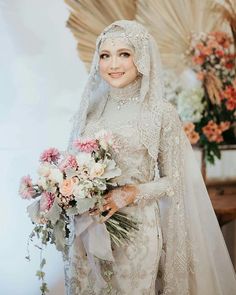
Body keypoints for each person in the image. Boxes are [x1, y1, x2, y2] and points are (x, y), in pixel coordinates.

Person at [64, 20, 236, 295]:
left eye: (124, 54)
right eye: (105, 55)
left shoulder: (159, 112)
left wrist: (132, 193)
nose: (113, 64)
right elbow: (72, 164)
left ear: (140, 57)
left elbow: (174, 180)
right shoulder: (91, 109)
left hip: (136, 235)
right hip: (89, 229)